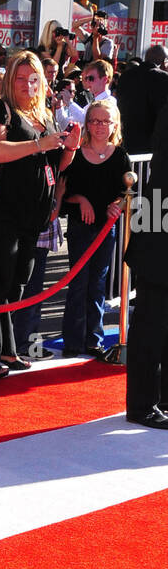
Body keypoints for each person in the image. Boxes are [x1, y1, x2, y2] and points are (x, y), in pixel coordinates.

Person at [0, 51, 80, 377]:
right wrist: (40, 145)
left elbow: (55, 166)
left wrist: (70, 148)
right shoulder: (0, 108)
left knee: (16, 285)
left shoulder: (44, 115)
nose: (27, 84)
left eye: (32, 78)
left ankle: (6, 350)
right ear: (10, 79)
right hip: (2, 213)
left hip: (33, 217)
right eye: (20, 78)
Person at [57, 99, 128, 358]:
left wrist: (117, 205)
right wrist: (81, 200)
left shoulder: (120, 155)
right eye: (94, 120)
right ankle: (73, 341)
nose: (99, 126)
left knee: (97, 284)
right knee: (78, 283)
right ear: (87, 124)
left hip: (105, 229)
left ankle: (93, 339)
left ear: (114, 125)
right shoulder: (76, 153)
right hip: (80, 227)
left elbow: (127, 191)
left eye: (105, 121)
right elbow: (64, 190)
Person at [124, 108, 168, 427]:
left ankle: (163, 398)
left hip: (156, 226)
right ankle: (141, 405)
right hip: (158, 238)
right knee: (150, 327)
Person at [115, 43, 168, 155]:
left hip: (127, 139)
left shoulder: (126, 76)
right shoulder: (163, 78)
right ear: (164, 61)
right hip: (152, 146)